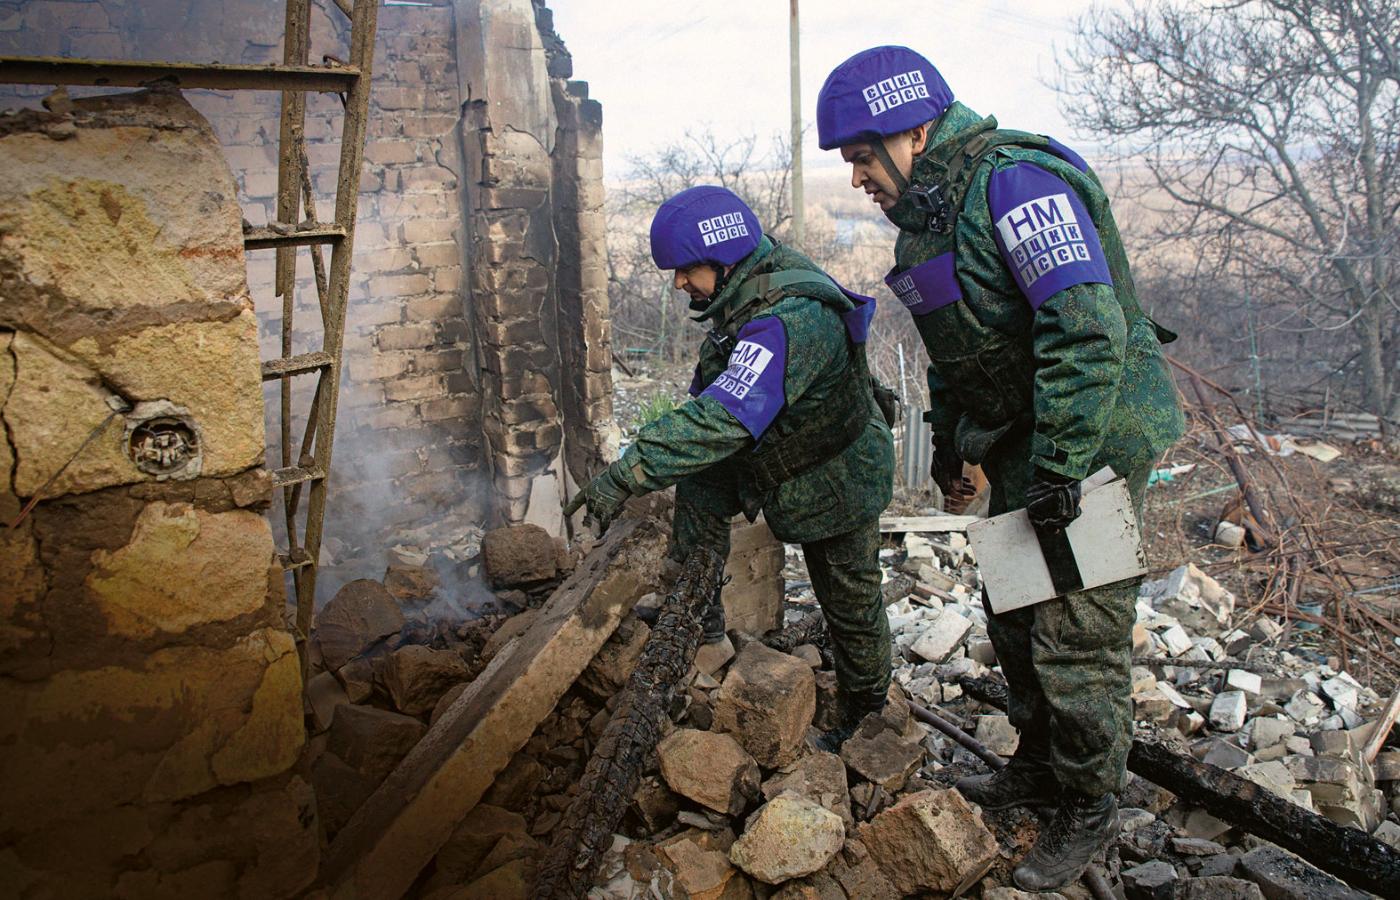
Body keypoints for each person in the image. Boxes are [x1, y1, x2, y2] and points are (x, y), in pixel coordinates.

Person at [816, 46, 1186, 891]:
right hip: (1026, 442)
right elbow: (954, 354)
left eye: (863, 157)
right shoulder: (927, 221)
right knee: (1015, 607)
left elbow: (1087, 332)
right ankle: (1038, 767)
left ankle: (1091, 805)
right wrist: (953, 444)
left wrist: (1062, 466)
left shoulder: (1016, 185)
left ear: (912, 132)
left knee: (1075, 630)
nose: (856, 179)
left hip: (1091, 434)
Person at [564, 185, 896, 750]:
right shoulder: (741, 294)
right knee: (699, 481)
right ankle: (700, 618)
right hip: (777, 446)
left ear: (724, 258)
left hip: (837, 472)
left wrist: (629, 472)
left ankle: (866, 712)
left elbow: (723, 418)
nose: (677, 283)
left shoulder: (791, 318)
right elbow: (711, 400)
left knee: (847, 596)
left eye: (685, 269)